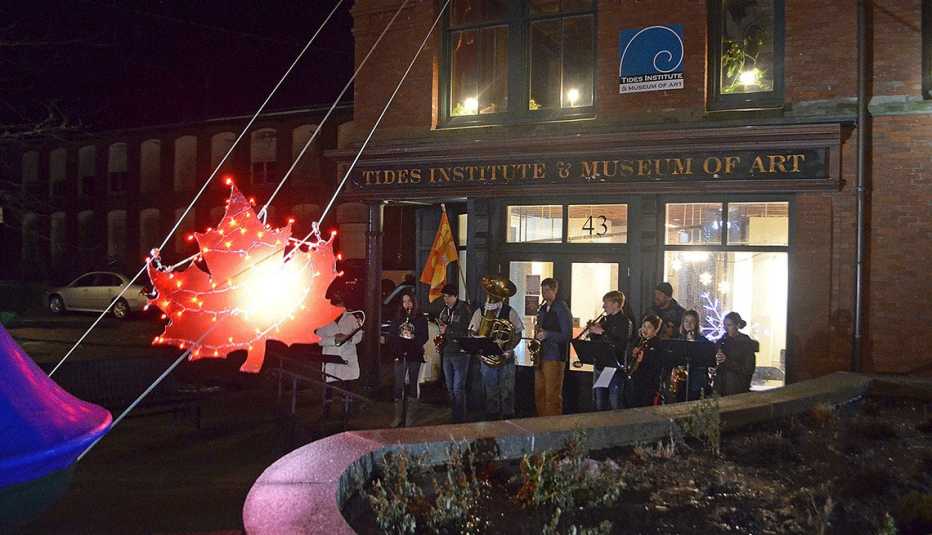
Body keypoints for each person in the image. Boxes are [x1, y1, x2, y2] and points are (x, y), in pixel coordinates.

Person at [468, 283, 523, 421]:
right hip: (487, 358)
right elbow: (471, 331)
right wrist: (478, 345)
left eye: (496, 294)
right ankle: (492, 420)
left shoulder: (510, 311)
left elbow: (517, 332)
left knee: (507, 391)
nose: (493, 296)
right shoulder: (479, 311)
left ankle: (508, 420)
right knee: (490, 391)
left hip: (505, 358)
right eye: (491, 294)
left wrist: (510, 348)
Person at [315, 290, 364, 418]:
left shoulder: (352, 318)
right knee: (329, 389)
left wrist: (348, 338)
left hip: (346, 358)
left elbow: (359, 336)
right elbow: (318, 340)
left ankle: (347, 413)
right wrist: (334, 340)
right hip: (331, 358)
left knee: (347, 387)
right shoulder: (324, 319)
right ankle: (326, 413)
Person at [588, 290, 632, 411]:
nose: (603, 306)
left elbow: (620, 344)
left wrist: (602, 332)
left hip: (614, 367)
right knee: (599, 402)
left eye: (606, 303)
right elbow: (597, 342)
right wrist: (593, 332)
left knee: (615, 402)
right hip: (601, 365)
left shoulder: (625, 322)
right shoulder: (605, 320)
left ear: (616, 304)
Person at [390, 291, 429, 427]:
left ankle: (410, 418)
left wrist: (412, 338)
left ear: (414, 302)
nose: (407, 304)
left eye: (409, 301)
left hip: (415, 354)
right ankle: (397, 417)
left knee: (413, 384)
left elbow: (424, 336)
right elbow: (393, 334)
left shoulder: (420, 318)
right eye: (404, 302)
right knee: (398, 385)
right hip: (400, 355)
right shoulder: (398, 317)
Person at [534, 278, 572, 417]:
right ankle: (541, 422)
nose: (544, 294)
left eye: (547, 290)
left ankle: (552, 426)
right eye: (542, 291)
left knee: (552, 395)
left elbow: (567, 334)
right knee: (539, 392)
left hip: (554, 356)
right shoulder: (543, 308)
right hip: (541, 355)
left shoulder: (561, 308)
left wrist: (547, 334)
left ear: (555, 290)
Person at [437, 284, 473, 423]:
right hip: (447, 351)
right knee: (450, 386)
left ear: (455, 296)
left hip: (460, 353)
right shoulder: (444, 310)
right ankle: (454, 413)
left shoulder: (464, 309)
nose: (446, 299)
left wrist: (448, 330)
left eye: (448, 296)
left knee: (458, 387)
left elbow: (467, 332)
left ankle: (460, 418)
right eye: (444, 296)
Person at [623, 314, 664, 408]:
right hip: (635, 380)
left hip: (648, 384)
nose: (645, 329)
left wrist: (644, 359)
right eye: (644, 326)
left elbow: (657, 365)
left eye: (649, 327)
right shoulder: (639, 340)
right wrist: (632, 354)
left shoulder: (658, 344)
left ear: (656, 329)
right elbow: (630, 359)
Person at [714, 311, 759, 396]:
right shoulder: (722, 341)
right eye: (725, 325)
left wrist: (727, 361)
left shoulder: (746, 343)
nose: (726, 328)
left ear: (737, 325)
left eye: (729, 325)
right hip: (720, 388)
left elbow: (748, 369)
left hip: (737, 390)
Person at [674, 309, 711, 401]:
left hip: (696, 381)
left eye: (692, 321)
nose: (688, 324)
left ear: (696, 323)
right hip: (682, 381)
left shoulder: (703, 341)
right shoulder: (679, 340)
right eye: (686, 321)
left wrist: (693, 344)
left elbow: (706, 359)